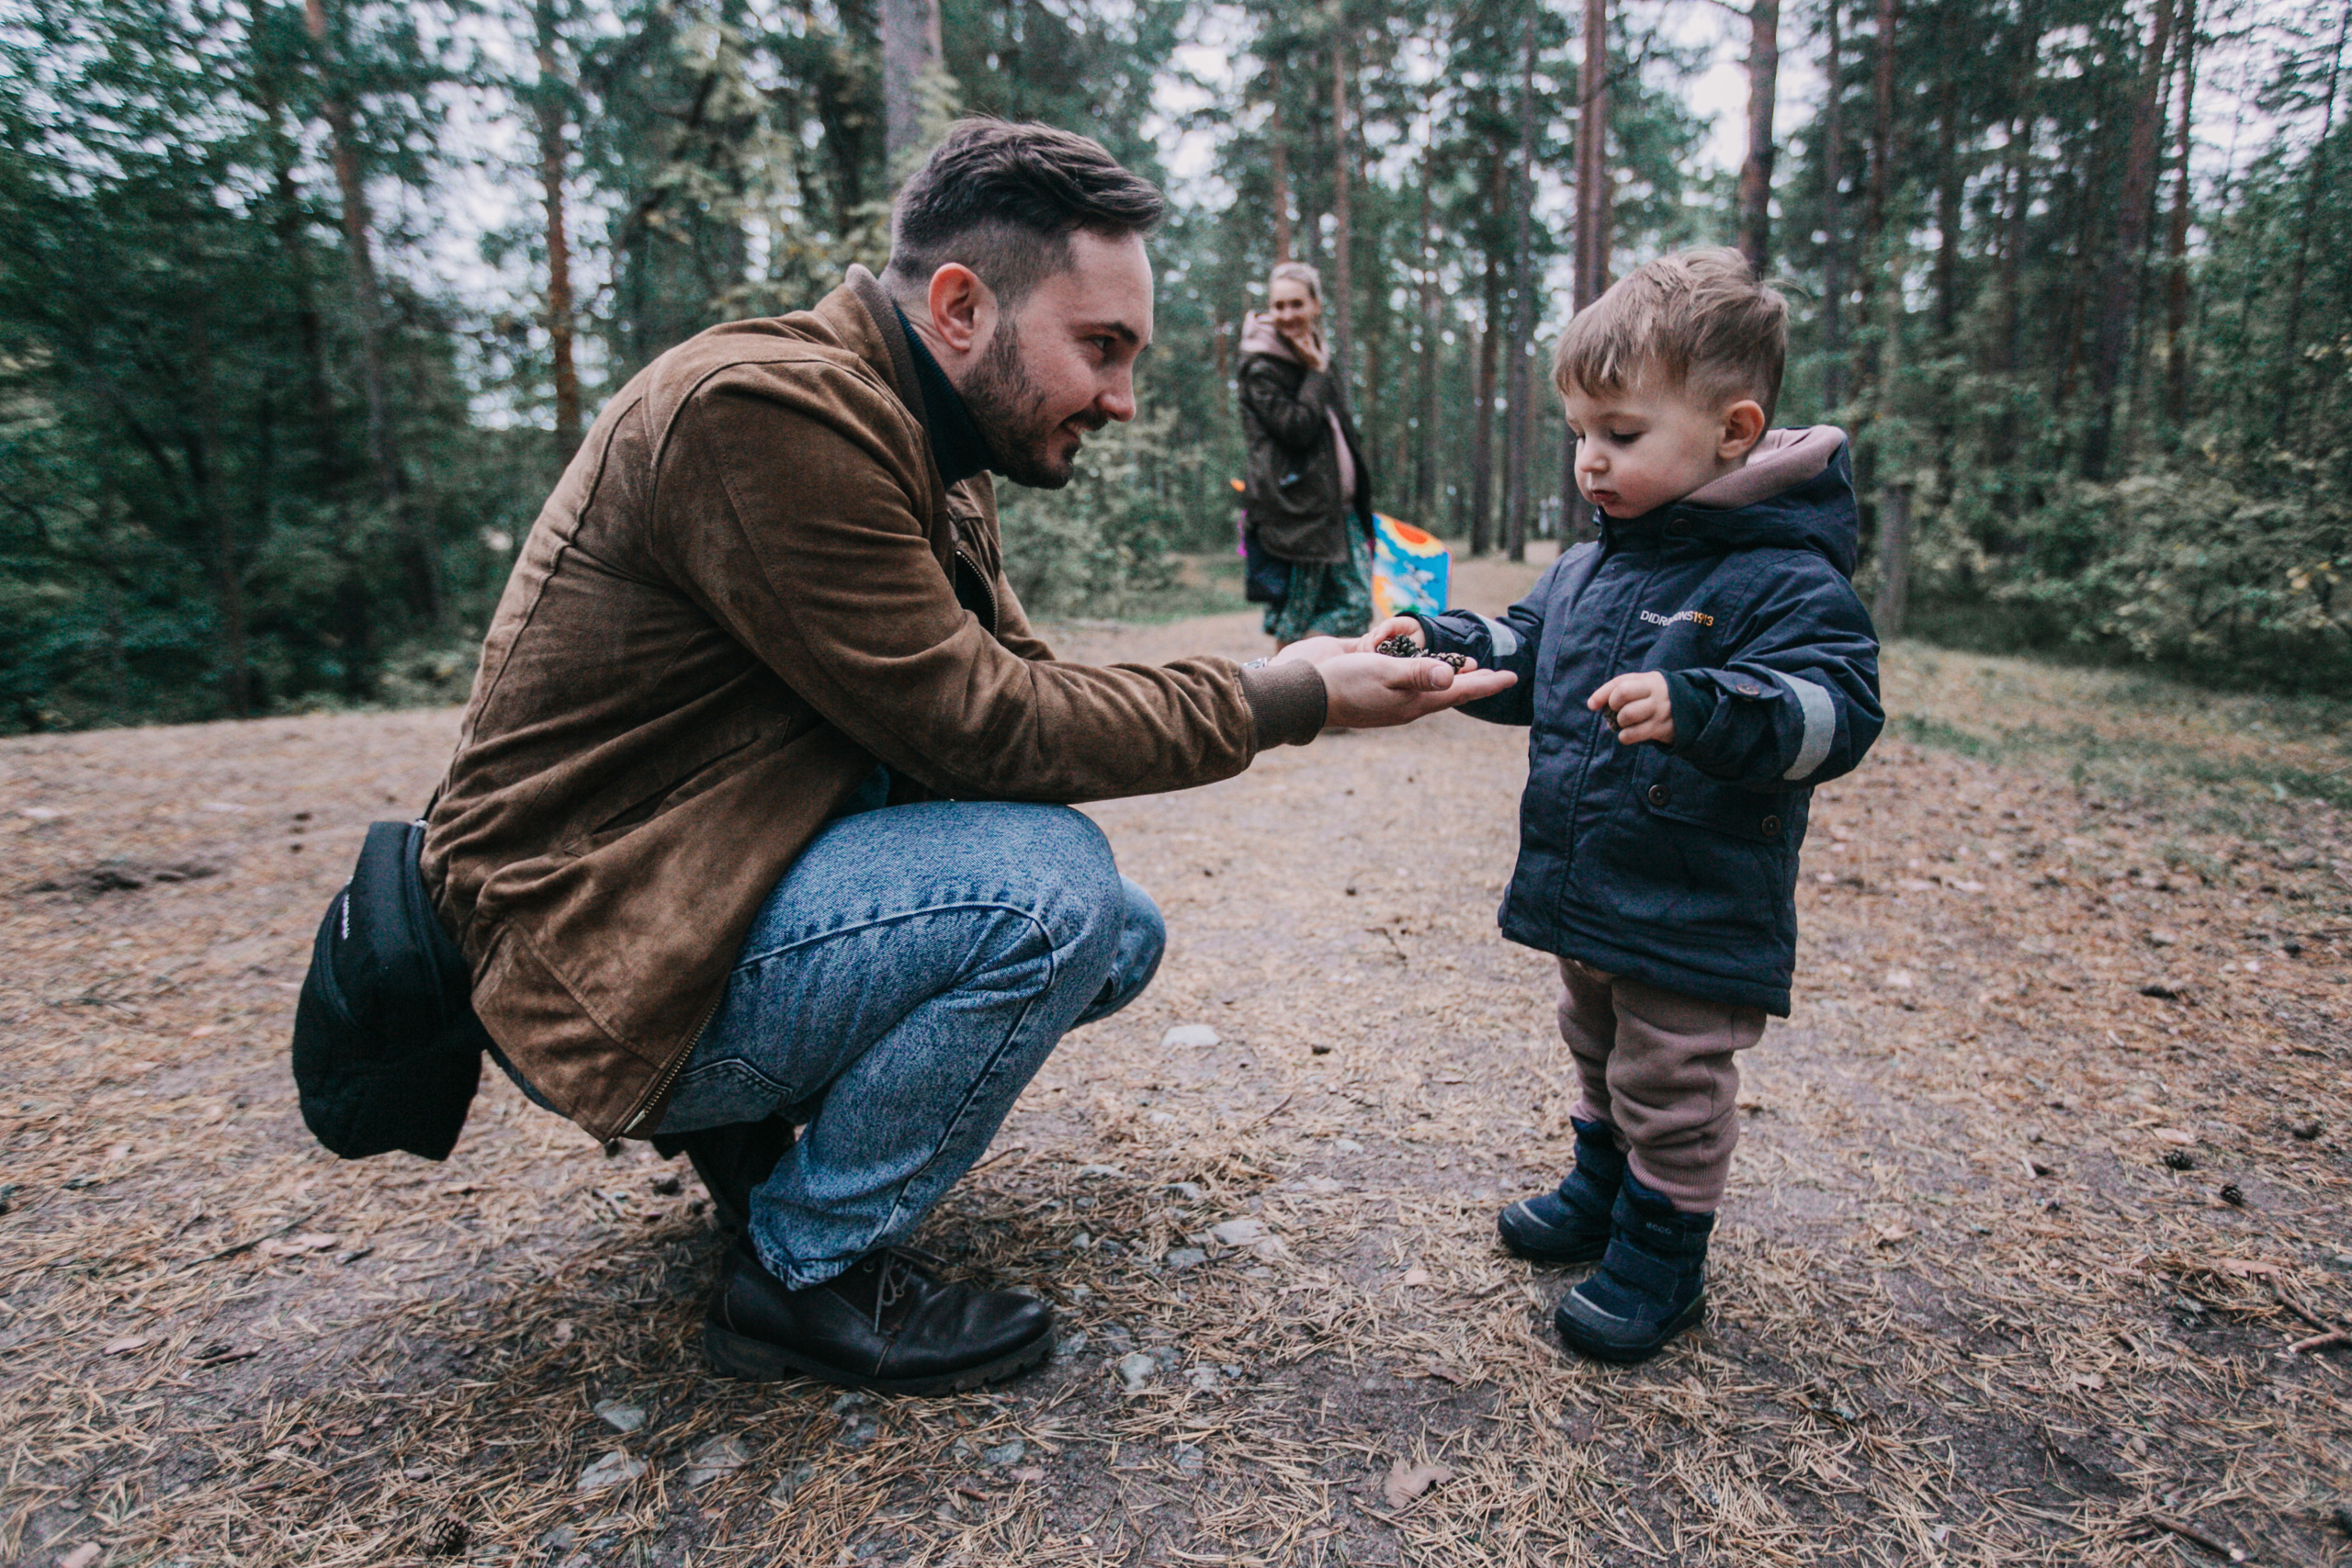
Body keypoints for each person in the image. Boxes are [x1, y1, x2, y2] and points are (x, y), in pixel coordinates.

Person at [419, 118, 1510, 1397]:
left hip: (685, 889)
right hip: (587, 939)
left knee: (1115, 932)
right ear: (958, 306)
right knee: (1052, 895)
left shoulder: (923, 426)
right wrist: (1281, 697)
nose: (1122, 397)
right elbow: (980, 723)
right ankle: (800, 1270)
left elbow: (1010, 695)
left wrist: (1307, 671)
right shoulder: (762, 411)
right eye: (1100, 348)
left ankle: (751, 1151)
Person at [1362, 248, 1883, 1363]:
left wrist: (1704, 704)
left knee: (1673, 1077)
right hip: (1595, 884)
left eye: (1624, 434)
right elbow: (1533, 646)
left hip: (1694, 899)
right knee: (1595, 1042)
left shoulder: (1786, 580)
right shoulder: (1592, 567)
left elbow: (1836, 715)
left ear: (1733, 431)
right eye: (1580, 435)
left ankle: (1662, 1256)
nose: (1592, 462)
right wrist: (1450, 644)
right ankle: (1602, 1193)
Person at [1237, 262, 1375, 646]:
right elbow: (1296, 429)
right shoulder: (1262, 365)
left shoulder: (1310, 354)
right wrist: (1316, 372)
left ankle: (1306, 692)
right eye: (1278, 306)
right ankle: (1284, 692)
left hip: (1333, 511)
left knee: (1347, 609)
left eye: (1296, 304)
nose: (1287, 315)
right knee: (1304, 618)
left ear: (1316, 305)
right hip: (1297, 512)